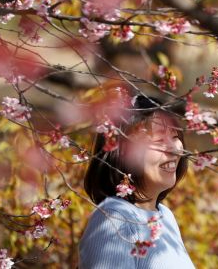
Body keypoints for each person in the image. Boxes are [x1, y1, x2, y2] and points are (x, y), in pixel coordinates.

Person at [79, 90, 195, 269]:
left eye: (175, 136)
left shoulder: (165, 216)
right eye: (159, 140)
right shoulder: (115, 219)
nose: (174, 149)